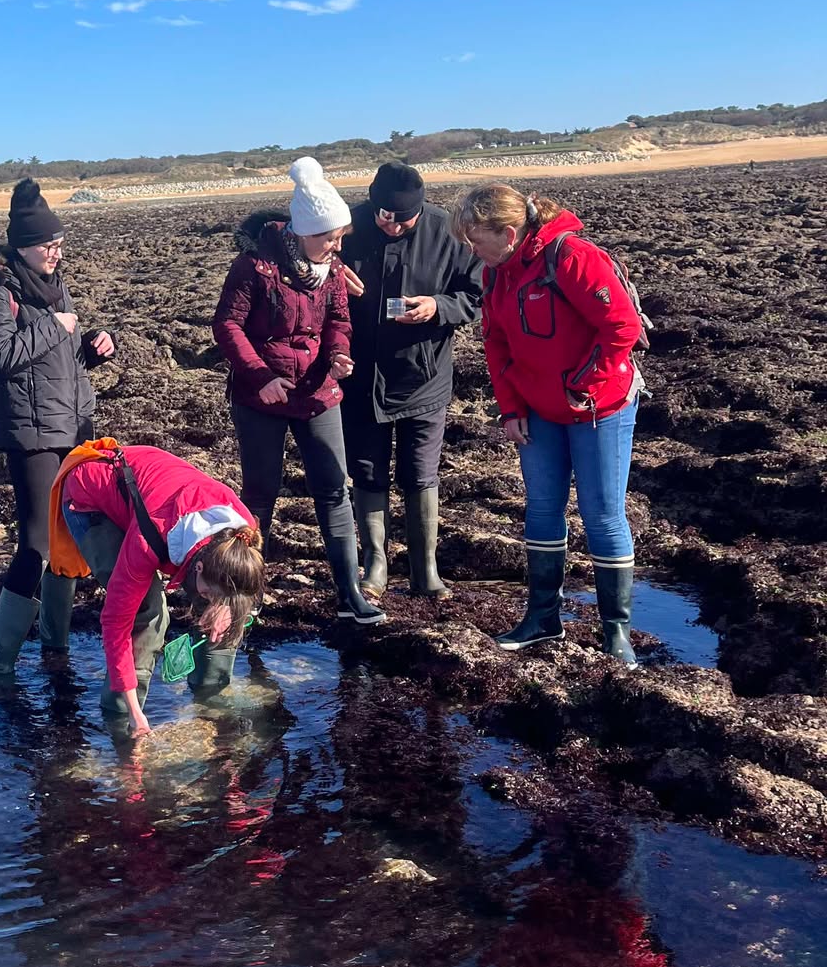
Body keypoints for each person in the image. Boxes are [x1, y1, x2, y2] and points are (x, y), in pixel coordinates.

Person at [452, 183, 645, 664]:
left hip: (600, 406)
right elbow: (495, 345)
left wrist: (586, 381)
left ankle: (615, 631)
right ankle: (543, 617)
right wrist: (511, 408)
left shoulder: (573, 257)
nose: (471, 251)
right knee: (541, 509)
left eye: (476, 240)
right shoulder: (495, 274)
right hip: (538, 409)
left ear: (509, 232)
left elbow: (623, 326)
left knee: (602, 514)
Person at [212, 158, 384, 624]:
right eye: (330, 237)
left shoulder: (332, 270)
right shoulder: (254, 267)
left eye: (340, 237)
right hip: (260, 397)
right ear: (303, 231)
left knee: (333, 489)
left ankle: (349, 591)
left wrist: (339, 355)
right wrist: (259, 376)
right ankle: (245, 593)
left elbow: (339, 322)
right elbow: (227, 325)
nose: (336, 245)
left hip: (317, 393)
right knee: (260, 494)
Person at [0, 178, 114, 677]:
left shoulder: (56, 287)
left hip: (72, 424)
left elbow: (60, 356)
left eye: (59, 245)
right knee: (35, 543)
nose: (55, 253)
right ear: (22, 249)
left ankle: (55, 647)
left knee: (69, 540)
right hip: (30, 433)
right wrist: (54, 327)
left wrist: (94, 344)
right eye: (46, 246)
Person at [49, 440, 265, 737]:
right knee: (147, 611)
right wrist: (136, 716)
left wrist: (226, 606)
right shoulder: (148, 538)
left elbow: (237, 586)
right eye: (210, 592)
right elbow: (116, 624)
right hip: (90, 495)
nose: (213, 599)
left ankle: (211, 697)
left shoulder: (240, 536)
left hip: (149, 490)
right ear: (197, 566)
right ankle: (121, 719)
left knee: (229, 604)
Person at [338, 162, 483, 599]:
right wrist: (327, 277)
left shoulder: (448, 232)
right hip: (361, 377)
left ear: (421, 210)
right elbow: (290, 251)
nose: (392, 224)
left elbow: (476, 295)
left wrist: (438, 306)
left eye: (403, 218)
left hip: (425, 376)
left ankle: (425, 569)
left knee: (420, 473)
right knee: (366, 471)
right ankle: (376, 565)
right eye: (383, 215)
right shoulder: (346, 227)